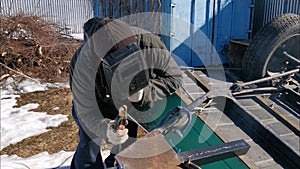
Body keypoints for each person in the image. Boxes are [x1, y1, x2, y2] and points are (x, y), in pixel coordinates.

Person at [69, 17, 182, 169]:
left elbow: (173, 77)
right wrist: (106, 130)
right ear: (101, 58)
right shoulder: (82, 64)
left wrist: (144, 94)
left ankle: (116, 164)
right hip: (96, 101)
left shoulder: (148, 43)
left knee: (128, 139)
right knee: (89, 141)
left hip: (128, 103)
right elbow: (86, 112)